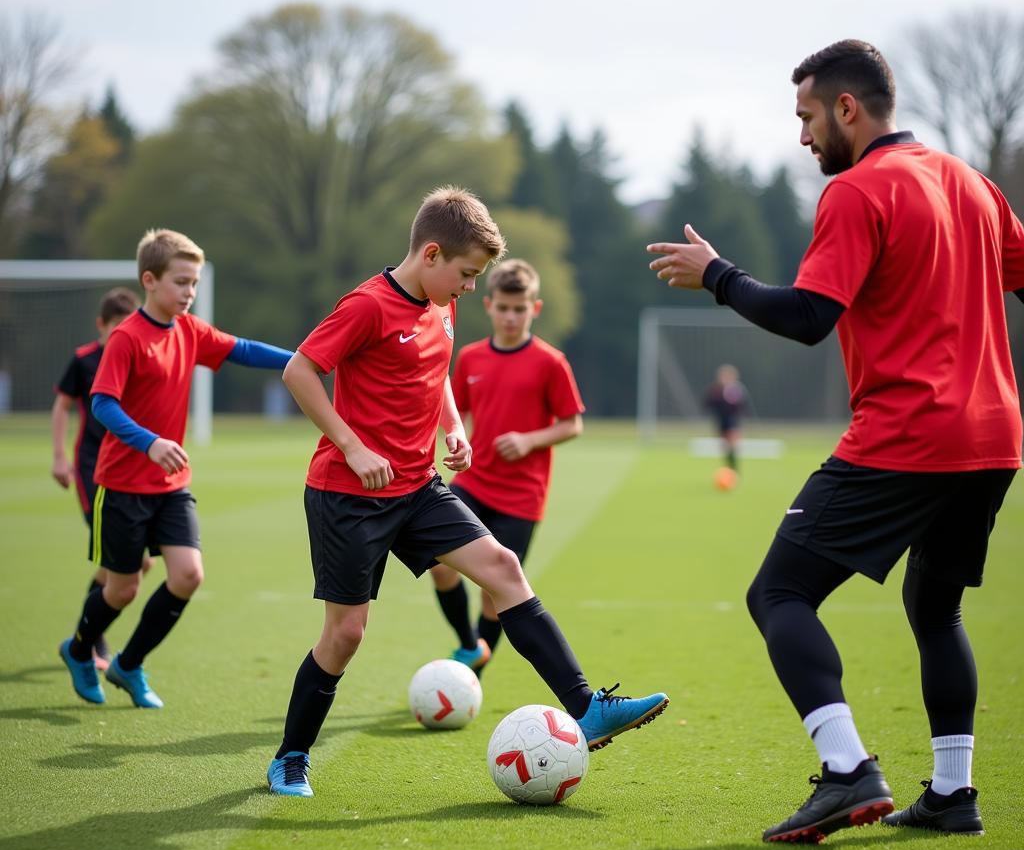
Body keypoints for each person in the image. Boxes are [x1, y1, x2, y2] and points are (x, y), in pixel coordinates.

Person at [647, 39, 1023, 843]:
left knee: (778, 594)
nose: (805, 136)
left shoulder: (860, 191)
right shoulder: (971, 183)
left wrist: (718, 274)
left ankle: (849, 770)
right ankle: (953, 794)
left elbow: (810, 318)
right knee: (935, 605)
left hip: (908, 433)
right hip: (993, 437)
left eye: (808, 117)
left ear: (847, 108)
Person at [268, 186, 668, 797]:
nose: (472, 289)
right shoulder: (367, 306)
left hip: (418, 485)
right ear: (431, 254)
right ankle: (291, 756)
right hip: (347, 493)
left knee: (503, 568)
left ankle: (587, 708)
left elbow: (436, 376)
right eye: (467, 274)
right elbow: (300, 370)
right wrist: (352, 445)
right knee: (346, 635)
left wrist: (451, 426)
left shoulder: (442, 302)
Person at [58, 228, 294, 709]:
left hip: (170, 486)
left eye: (194, 282)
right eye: (181, 282)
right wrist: (150, 443)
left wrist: (307, 360)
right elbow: (101, 404)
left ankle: (128, 663)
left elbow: (242, 349)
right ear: (150, 279)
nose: (190, 292)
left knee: (188, 575)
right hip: (121, 485)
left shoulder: (190, 330)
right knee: (122, 587)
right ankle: (80, 650)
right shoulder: (126, 338)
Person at [428, 258, 584, 676]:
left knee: (495, 593)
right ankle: (468, 644)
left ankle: (470, 677)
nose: (511, 316)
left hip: (522, 496)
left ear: (535, 309)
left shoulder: (551, 363)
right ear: (490, 306)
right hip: (474, 482)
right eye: (504, 307)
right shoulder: (472, 357)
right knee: (438, 562)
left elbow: (573, 423)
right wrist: (452, 440)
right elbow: (453, 413)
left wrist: (529, 439)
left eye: (520, 309)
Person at [52, 287, 144, 670]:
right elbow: (62, 405)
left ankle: (86, 635)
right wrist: (59, 457)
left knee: (132, 563)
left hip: (130, 465)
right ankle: (90, 640)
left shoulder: (138, 355)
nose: (125, 334)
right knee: (119, 562)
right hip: (93, 466)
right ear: (101, 326)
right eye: (117, 328)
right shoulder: (84, 360)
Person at [703, 364, 748, 476]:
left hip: (733, 421)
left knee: (732, 445)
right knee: (725, 447)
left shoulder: (736, 390)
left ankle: (734, 470)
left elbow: (741, 406)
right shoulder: (715, 390)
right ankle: (729, 469)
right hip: (721, 422)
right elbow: (708, 404)